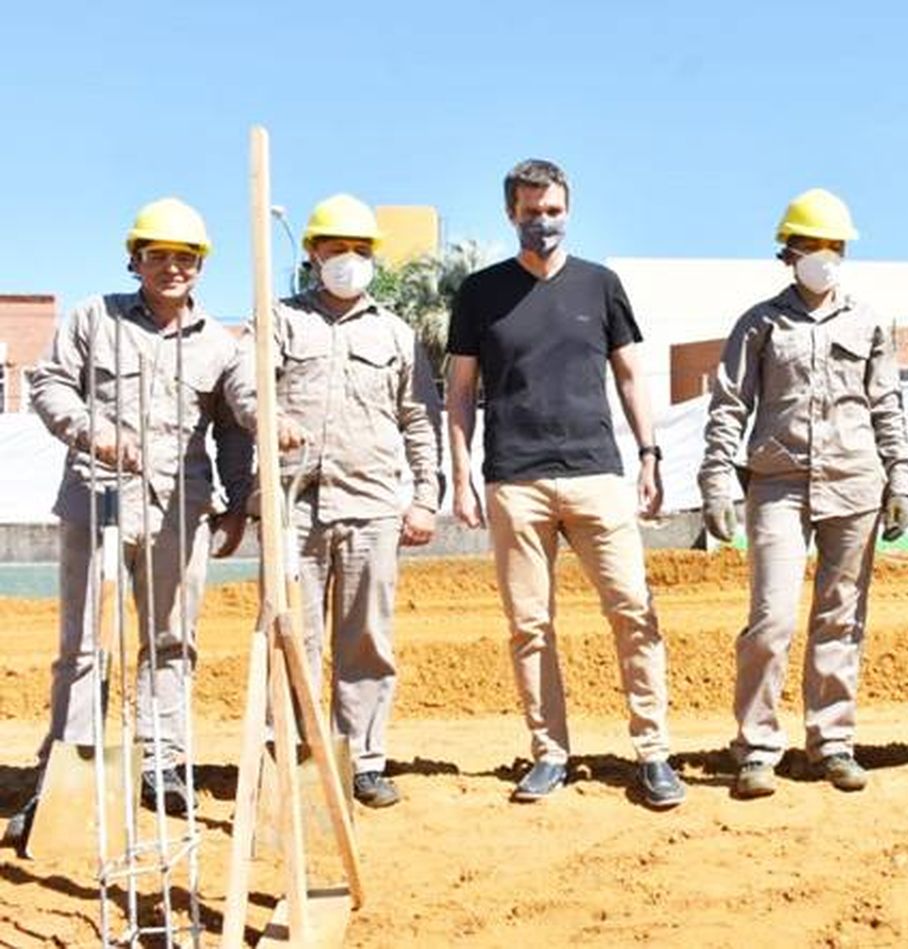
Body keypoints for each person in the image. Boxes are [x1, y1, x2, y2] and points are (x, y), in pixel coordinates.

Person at [8, 198, 253, 843]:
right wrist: (97, 434)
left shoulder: (220, 348)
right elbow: (49, 385)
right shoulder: (97, 318)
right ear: (136, 259)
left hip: (181, 512)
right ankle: (69, 767)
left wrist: (235, 504)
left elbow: (231, 430)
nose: (171, 268)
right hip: (99, 503)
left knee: (172, 642)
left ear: (200, 267)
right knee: (85, 646)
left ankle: (162, 761)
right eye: (158, 256)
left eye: (184, 258)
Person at [445, 159, 684, 809]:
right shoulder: (479, 293)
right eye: (531, 212)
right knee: (530, 624)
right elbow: (460, 391)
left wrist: (650, 454)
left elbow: (631, 375)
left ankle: (654, 751)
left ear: (568, 209)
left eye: (552, 210)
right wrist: (460, 476)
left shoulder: (600, 286)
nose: (542, 222)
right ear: (510, 215)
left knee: (633, 610)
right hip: (515, 481)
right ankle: (549, 751)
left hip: (597, 475)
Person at [225, 193, 442, 808]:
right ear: (313, 254)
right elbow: (242, 386)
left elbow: (418, 419)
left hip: (371, 505)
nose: (347, 259)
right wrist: (265, 417)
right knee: (290, 635)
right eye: (335, 248)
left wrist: (425, 497)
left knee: (366, 638)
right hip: (292, 505)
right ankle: (286, 756)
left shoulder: (395, 332)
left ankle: (362, 759)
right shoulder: (278, 320)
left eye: (359, 249)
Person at [699, 188, 908, 799]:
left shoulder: (869, 322)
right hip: (778, 487)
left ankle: (833, 743)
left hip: (854, 487)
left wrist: (899, 477)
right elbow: (729, 406)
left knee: (841, 619)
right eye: (811, 244)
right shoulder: (760, 324)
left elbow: (886, 404)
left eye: (834, 245)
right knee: (771, 620)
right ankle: (757, 748)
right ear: (787, 252)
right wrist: (717, 481)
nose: (823, 255)